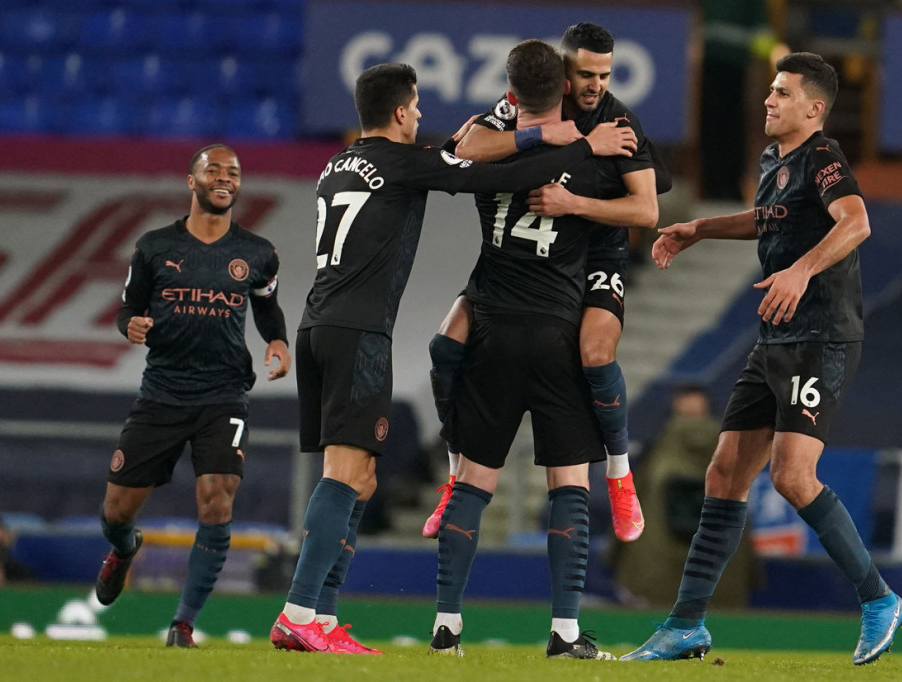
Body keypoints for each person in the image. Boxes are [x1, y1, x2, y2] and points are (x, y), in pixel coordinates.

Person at [268, 62, 636, 655]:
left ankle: (323, 616)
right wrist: (576, 142)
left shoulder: (335, 166)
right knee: (345, 475)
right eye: (414, 106)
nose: (419, 115)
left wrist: (464, 145)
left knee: (360, 478)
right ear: (398, 112)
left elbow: (446, 160)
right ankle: (300, 611)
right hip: (359, 333)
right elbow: (488, 178)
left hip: (316, 325)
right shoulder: (404, 162)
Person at [621, 53, 902, 665]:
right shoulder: (775, 161)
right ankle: (685, 626)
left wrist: (802, 271)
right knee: (724, 474)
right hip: (776, 337)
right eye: (770, 92)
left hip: (820, 336)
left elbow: (856, 222)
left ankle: (879, 599)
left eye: (782, 93)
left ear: (815, 108)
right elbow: (770, 218)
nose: (769, 101)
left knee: (791, 477)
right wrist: (699, 228)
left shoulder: (824, 157)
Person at [423, 21, 669, 544]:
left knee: (596, 351)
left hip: (595, 245)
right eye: (586, 73)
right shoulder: (528, 104)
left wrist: (574, 202)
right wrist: (545, 134)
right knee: (446, 344)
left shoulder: (618, 119)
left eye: (605, 74)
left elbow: (646, 210)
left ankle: (620, 474)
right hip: (523, 255)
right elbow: (466, 148)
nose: (596, 84)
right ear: (562, 72)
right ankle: (454, 471)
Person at [428, 38, 627, 661]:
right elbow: (638, 208)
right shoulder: (591, 153)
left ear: (510, 94)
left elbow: (457, 153)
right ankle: (565, 632)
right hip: (555, 332)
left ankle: (445, 625)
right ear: (566, 86)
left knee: (473, 482)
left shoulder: (491, 144)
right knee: (568, 483)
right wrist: (584, 148)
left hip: (491, 326)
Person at [94, 144, 291, 648]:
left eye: (234, 173)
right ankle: (124, 548)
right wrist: (130, 325)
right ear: (192, 182)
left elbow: (268, 308)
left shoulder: (258, 253)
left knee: (216, 500)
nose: (225, 179)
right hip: (162, 393)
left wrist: (277, 341)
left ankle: (183, 624)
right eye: (215, 171)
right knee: (116, 511)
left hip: (224, 394)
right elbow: (127, 309)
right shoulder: (154, 247)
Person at [610, 384, 756, 609]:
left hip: (656, 568)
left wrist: (614, 554)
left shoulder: (658, 452)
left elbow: (630, 502)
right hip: (719, 569)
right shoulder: (730, 450)